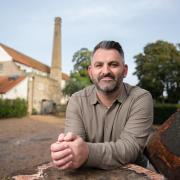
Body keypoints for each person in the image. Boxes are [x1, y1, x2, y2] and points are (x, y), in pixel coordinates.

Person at [50, 40, 153, 170]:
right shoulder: (77, 100)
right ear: (91, 72)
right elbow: (75, 148)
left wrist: (87, 152)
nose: (106, 71)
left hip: (134, 173)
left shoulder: (141, 98)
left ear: (125, 70)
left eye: (113, 64)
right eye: (99, 65)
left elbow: (131, 148)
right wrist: (66, 151)